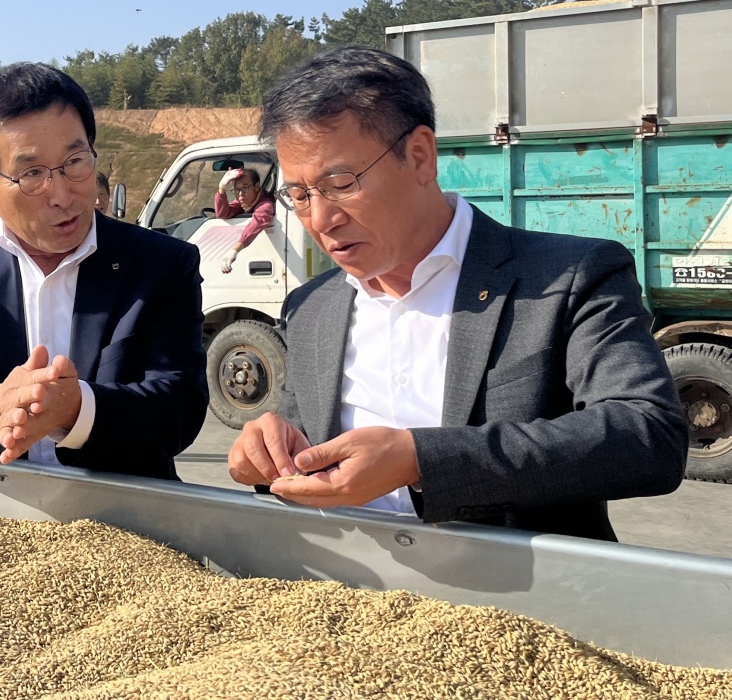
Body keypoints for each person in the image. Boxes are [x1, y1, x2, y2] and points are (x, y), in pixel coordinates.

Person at [227, 48, 687, 541]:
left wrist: (422, 460)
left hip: (520, 601)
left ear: (420, 155)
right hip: (353, 597)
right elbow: (303, 447)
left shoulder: (567, 278)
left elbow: (647, 436)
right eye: (299, 195)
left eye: (340, 183)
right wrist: (269, 453)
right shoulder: (312, 308)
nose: (320, 219)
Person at [0, 63, 208, 480]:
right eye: (32, 173)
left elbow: (180, 404)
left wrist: (77, 409)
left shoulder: (162, 264)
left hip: (125, 516)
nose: (62, 194)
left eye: (75, 161)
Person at [214, 167, 276, 274]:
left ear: (257, 186)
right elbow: (222, 213)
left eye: (245, 188)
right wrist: (222, 188)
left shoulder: (266, 204)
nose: (240, 194)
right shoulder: (244, 202)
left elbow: (257, 222)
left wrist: (234, 250)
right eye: (236, 190)